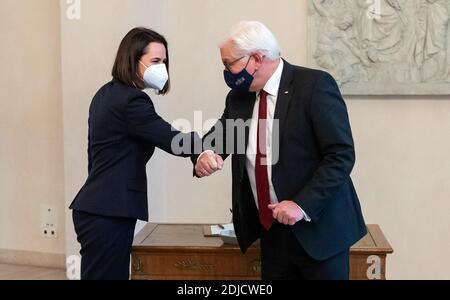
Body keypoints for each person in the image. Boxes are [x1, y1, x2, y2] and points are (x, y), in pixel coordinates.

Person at [193, 21, 367, 280]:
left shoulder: (314, 85)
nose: (226, 71)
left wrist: (301, 204)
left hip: (319, 232)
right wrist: (204, 154)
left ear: (256, 58)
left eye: (229, 63)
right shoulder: (239, 97)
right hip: (272, 234)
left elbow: (340, 155)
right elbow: (220, 138)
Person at [70, 27, 198, 280]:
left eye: (165, 62)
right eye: (156, 61)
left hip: (98, 207)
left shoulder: (106, 93)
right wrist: (205, 150)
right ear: (133, 59)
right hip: (108, 211)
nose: (162, 67)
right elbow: (170, 138)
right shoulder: (131, 101)